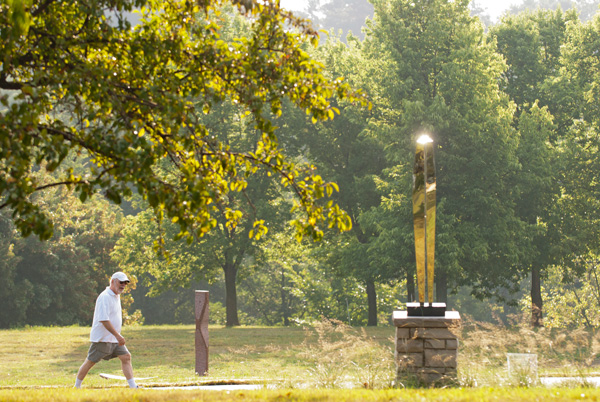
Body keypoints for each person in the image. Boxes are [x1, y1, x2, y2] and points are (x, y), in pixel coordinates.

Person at [75, 272, 138, 389]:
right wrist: (118, 336)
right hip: (102, 338)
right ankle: (76, 387)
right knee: (90, 362)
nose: (123, 285)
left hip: (113, 338)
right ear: (113, 281)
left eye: (125, 283)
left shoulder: (116, 296)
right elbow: (103, 320)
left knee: (126, 357)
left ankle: (133, 387)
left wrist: (116, 336)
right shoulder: (104, 297)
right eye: (121, 282)